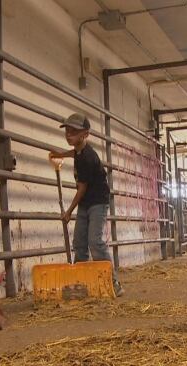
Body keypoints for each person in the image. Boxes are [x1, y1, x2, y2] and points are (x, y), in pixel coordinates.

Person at [49, 113, 124, 296]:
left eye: (74, 132)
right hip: (86, 202)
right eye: (67, 131)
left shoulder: (89, 158)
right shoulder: (79, 150)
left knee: (95, 242)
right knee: (79, 243)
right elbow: (73, 153)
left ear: (85, 135)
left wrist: (68, 212)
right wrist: (60, 155)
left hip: (97, 201)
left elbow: (81, 188)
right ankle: (81, 283)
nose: (68, 135)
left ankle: (113, 283)